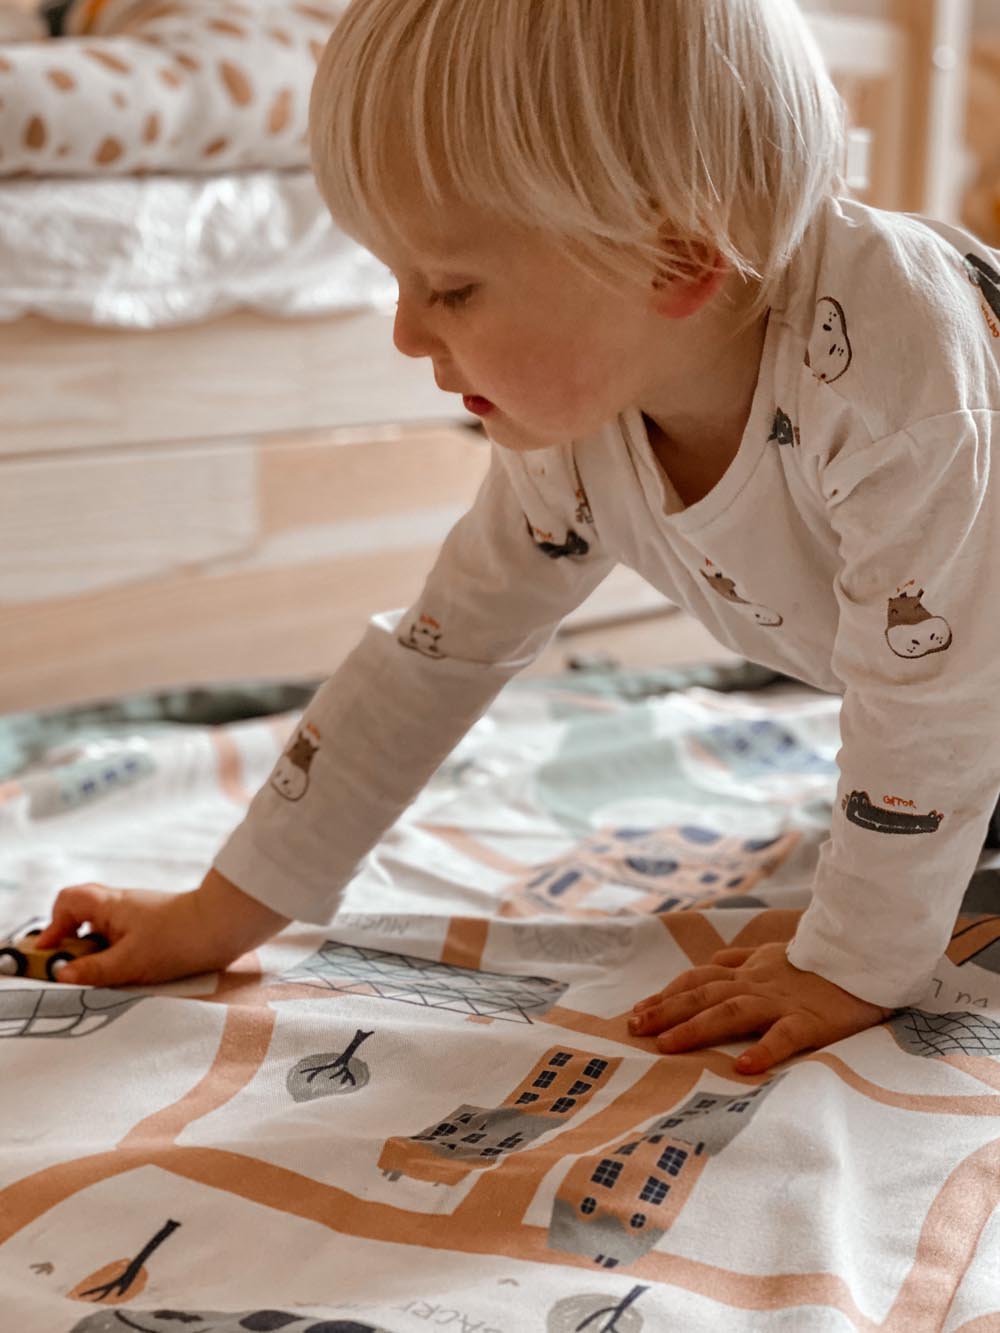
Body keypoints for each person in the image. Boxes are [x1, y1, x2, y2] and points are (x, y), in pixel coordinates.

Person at [37, 0, 1000, 1076]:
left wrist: (853, 959)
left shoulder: (898, 380)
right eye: (394, 279)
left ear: (674, 256)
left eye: (448, 286)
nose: (405, 332)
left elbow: (936, 699)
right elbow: (432, 658)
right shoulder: (579, 425)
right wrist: (222, 911)